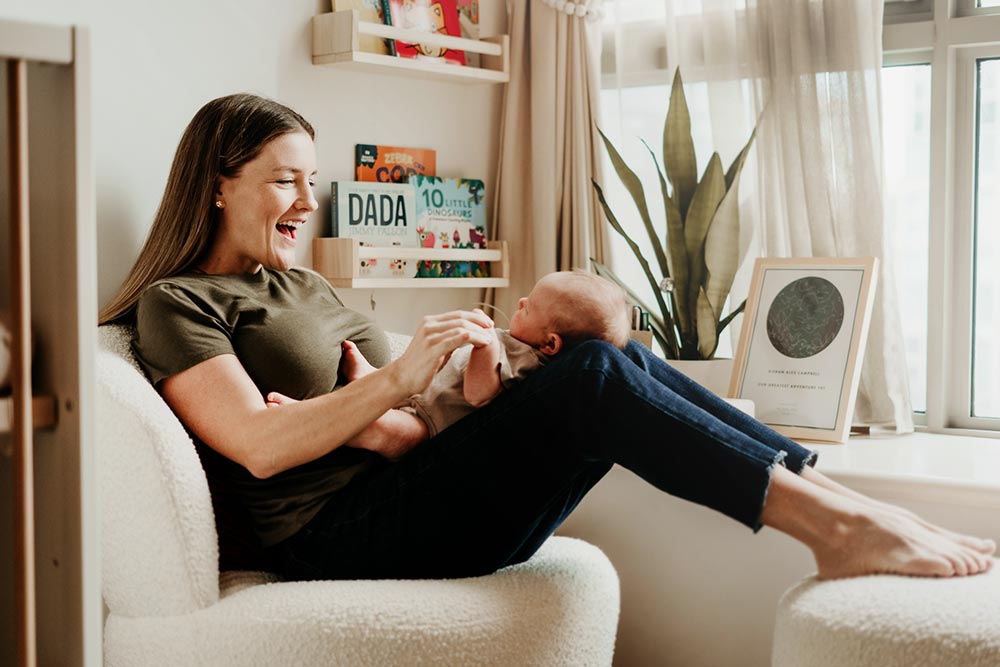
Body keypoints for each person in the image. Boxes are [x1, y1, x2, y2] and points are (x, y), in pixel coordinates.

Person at [100, 93, 995, 582]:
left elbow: (408, 426)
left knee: (619, 358)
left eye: (313, 180)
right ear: (217, 184)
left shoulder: (303, 283)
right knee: (594, 376)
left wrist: (387, 414)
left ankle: (834, 498)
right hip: (338, 537)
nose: (306, 200)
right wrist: (393, 381)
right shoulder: (178, 304)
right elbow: (256, 446)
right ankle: (836, 526)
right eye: (284, 180)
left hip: (416, 490)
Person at [268, 270, 631, 440]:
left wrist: (485, 345)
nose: (520, 303)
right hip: (422, 398)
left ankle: (301, 418)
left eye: (530, 307)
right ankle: (367, 379)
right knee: (383, 389)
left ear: (550, 345)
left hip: (432, 425)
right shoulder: (517, 343)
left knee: (375, 427)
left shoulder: (530, 362)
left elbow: (478, 394)